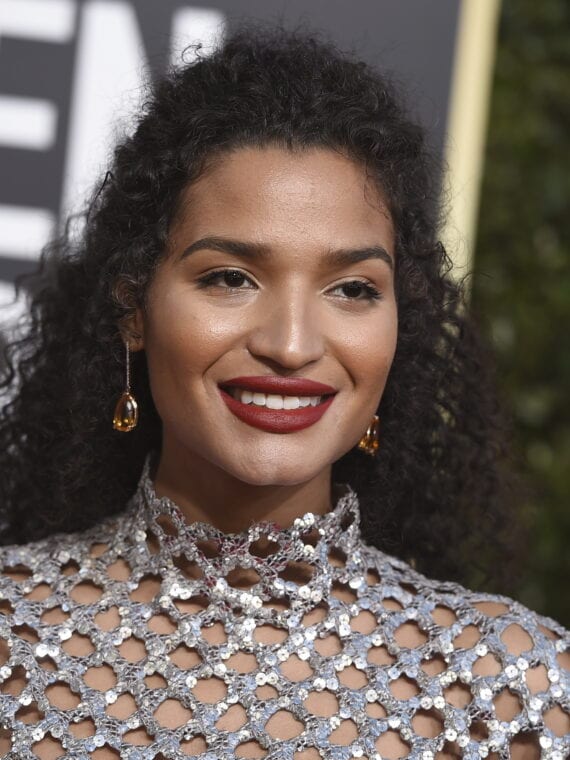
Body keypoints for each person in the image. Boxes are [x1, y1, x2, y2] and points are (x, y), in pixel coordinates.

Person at [0, 24, 568, 760]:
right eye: (230, 278)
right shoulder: (13, 640)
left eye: (353, 288)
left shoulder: (511, 695)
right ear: (133, 308)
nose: (292, 345)